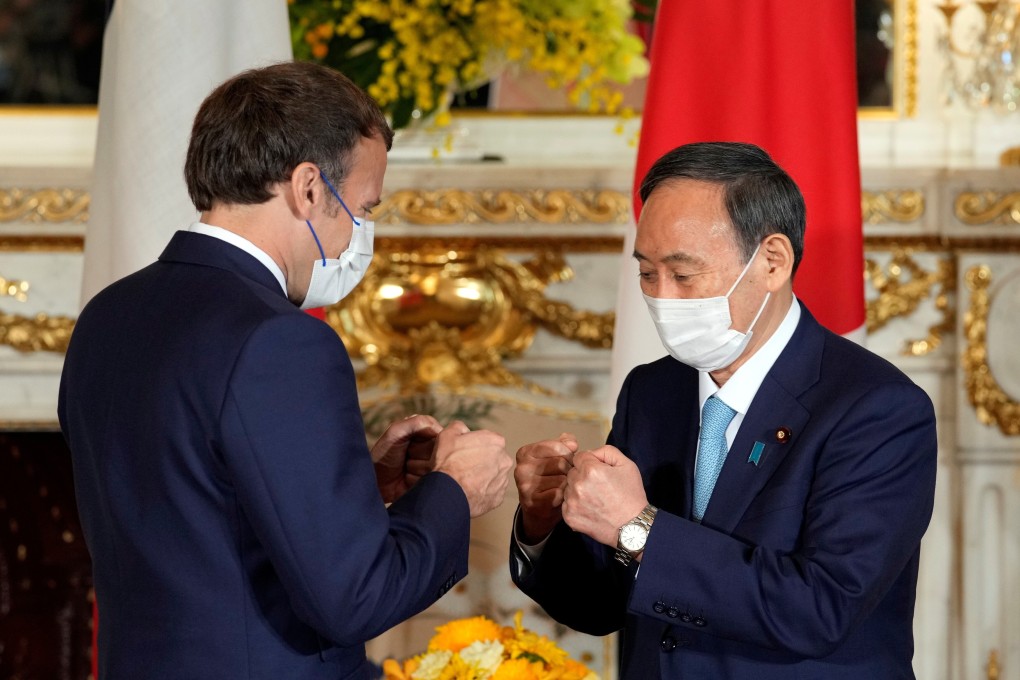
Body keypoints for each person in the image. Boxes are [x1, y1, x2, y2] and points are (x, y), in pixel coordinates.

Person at [59, 61, 513, 680]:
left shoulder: (109, 314)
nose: (365, 231)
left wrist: (354, 488)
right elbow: (355, 599)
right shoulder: (280, 340)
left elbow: (193, 510)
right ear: (308, 188)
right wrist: (456, 492)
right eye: (365, 206)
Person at [510, 142, 937, 678]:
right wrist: (544, 520)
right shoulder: (651, 391)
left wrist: (638, 526)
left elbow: (821, 610)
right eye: (647, 273)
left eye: (684, 275)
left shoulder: (878, 409)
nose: (662, 297)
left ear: (773, 262)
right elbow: (600, 606)